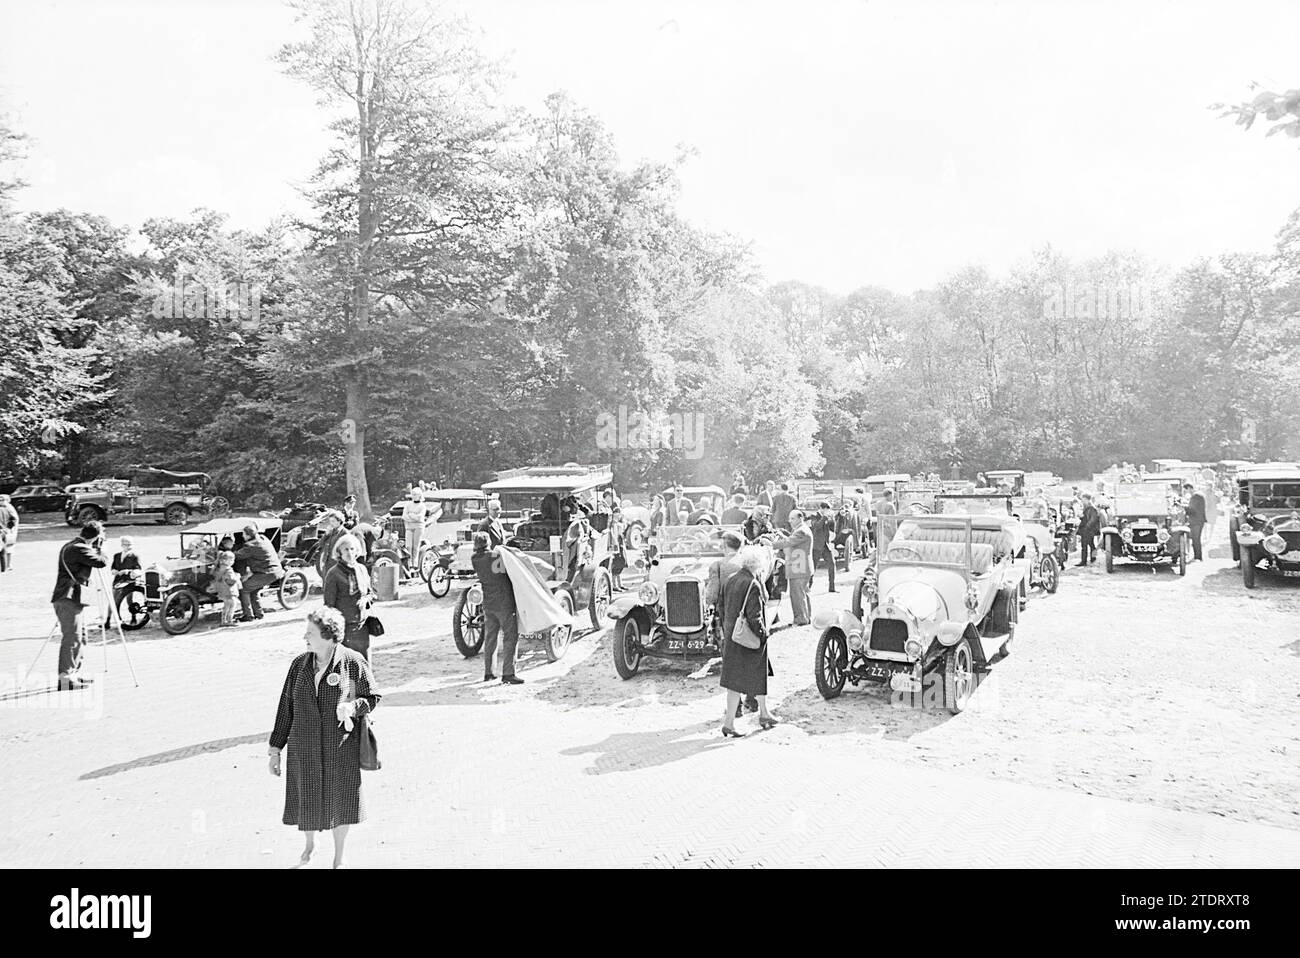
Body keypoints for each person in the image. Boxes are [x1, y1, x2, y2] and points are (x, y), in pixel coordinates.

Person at [268, 606, 380, 869]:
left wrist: (352, 707)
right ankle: (310, 843)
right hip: (303, 745)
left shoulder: (352, 661)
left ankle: (339, 857)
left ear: (328, 636)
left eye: (310, 633)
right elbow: (286, 708)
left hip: (338, 745)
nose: (304, 638)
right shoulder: (299, 664)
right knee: (307, 796)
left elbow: (372, 697)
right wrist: (275, 749)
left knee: (340, 799)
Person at [719, 546, 778, 737]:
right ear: (758, 565)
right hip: (748, 638)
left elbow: (722, 608)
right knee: (757, 676)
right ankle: (763, 713)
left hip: (732, 636)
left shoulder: (731, 579)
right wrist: (763, 634)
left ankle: (732, 721)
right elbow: (755, 616)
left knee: (733, 681)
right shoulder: (752, 583)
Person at [51, 520, 108, 690]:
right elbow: (101, 562)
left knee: (81, 636)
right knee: (71, 637)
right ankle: (65, 678)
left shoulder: (71, 545)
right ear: (96, 537)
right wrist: (101, 549)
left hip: (72, 598)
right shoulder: (78, 548)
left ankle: (73, 673)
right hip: (67, 598)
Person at [470, 532, 523, 684]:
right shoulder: (496, 556)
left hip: (488, 603)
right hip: (504, 603)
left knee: (490, 638)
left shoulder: (475, 559)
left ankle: (489, 672)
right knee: (510, 637)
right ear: (488, 542)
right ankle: (508, 673)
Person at [323, 534, 376, 661]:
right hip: (344, 628)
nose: (350, 553)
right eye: (345, 549)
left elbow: (371, 593)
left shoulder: (362, 569)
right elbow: (329, 605)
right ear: (339, 552)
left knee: (364, 664)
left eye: (352, 549)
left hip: (362, 626)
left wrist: (365, 599)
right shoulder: (333, 574)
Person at [770, 510, 813, 626]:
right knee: (803, 593)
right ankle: (806, 617)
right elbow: (792, 541)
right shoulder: (801, 529)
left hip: (799, 567)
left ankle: (800, 620)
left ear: (800, 518)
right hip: (802, 567)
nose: (790, 521)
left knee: (797, 594)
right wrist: (782, 536)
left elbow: (789, 542)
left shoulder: (801, 531)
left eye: (792, 518)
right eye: (789, 518)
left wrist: (770, 544)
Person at [235, 523, 285, 621]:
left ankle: (248, 616)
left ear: (248, 535)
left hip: (266, 573)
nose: (242, 536)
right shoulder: (262, 538)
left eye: (244, 534)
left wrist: (223, 553)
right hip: (274, 570)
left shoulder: (250, 546)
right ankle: (259, 614)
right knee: (253, 591)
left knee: (244, 588)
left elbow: (236, 556)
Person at [107, 536, 143, 629]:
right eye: (126, 544)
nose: (129, 546)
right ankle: (107, 620)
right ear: (122, 545)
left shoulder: (135, 556)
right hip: (118, 580)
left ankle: (133, 617)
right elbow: (113, 567)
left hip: (129, 580)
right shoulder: (117, 555)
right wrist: (114, 571)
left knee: (129, 600)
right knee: (113, 599)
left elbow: (138, 569)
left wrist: (127, 571)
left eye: (130, 544)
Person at [809, 502, 838, 593]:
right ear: (821, 508)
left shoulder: (826, 517)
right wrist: (824, 517)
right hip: (816, 546)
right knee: (812, 567)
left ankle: (832, 587)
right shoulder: (814, 516)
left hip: (826, 545)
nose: (827, 511)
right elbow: (816, 526)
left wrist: (834, 519)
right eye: (826, 509)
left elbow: (832, 528)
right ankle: (808, 587)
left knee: (832, 564)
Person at [210, 548, 241, 627]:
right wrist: (237, 577)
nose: (232, 562)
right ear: (224, 561)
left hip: (223, 590)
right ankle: (230, 620)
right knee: (233, 605)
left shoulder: (219, 569)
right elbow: (231, 580)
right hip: (230, 590)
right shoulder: (229, 570)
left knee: (226, 606)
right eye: (231, 560)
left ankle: (223, 621)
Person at [401, 489, 427, 573]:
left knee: (416, 546)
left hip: (418, 527)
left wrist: (411, 515)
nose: (414, 496)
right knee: (408, 546)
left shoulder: (422, 506)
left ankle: (415, 565)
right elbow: (404, 516)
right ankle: (409, 564)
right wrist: (414, 517)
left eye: (416, 494)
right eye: (413, 494)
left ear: (420, 495)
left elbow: (420, 517)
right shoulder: (408, 504)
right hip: (409, 527)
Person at [833, 502, 862, 571]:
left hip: (848, 531)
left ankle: (856, 545)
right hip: (837, 532)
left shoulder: (853, 513)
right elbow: (836, 519)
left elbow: (857, 527)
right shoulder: (840, 514)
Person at [1183, 483, 1207, 562]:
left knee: (1196, 539)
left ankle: (1198, 557)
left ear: (1189, 488)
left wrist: (1183, 506)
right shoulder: (1198, 495)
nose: (1186, 492)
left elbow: (1192, 510)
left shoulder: (1195, 496)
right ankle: (1197, 556)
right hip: (1199, 520)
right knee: (1195, 539)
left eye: (1186, 490)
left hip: (1196, 520)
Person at [1077, 493, 1100, 566]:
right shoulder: (1089, 507)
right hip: (1089, 529)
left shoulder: (1091, 508)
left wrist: (1086, 527)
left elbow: (1093, 519)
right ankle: (1093, 557)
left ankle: (1084, 561)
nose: (1082, 501)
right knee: (1091, 543)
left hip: (1088, 529)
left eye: (1083, 500)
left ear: (1087, 500)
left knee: (1084, 545)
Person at [0, 494, 18, 573]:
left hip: (4, 531)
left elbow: (14, 519)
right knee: (4, 549)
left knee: (5, 549)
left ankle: (7, 566)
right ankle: (6, 566)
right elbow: (14, 519)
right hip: (6, 531)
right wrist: (8, 528)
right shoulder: (7, 508)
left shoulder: (7, 508)